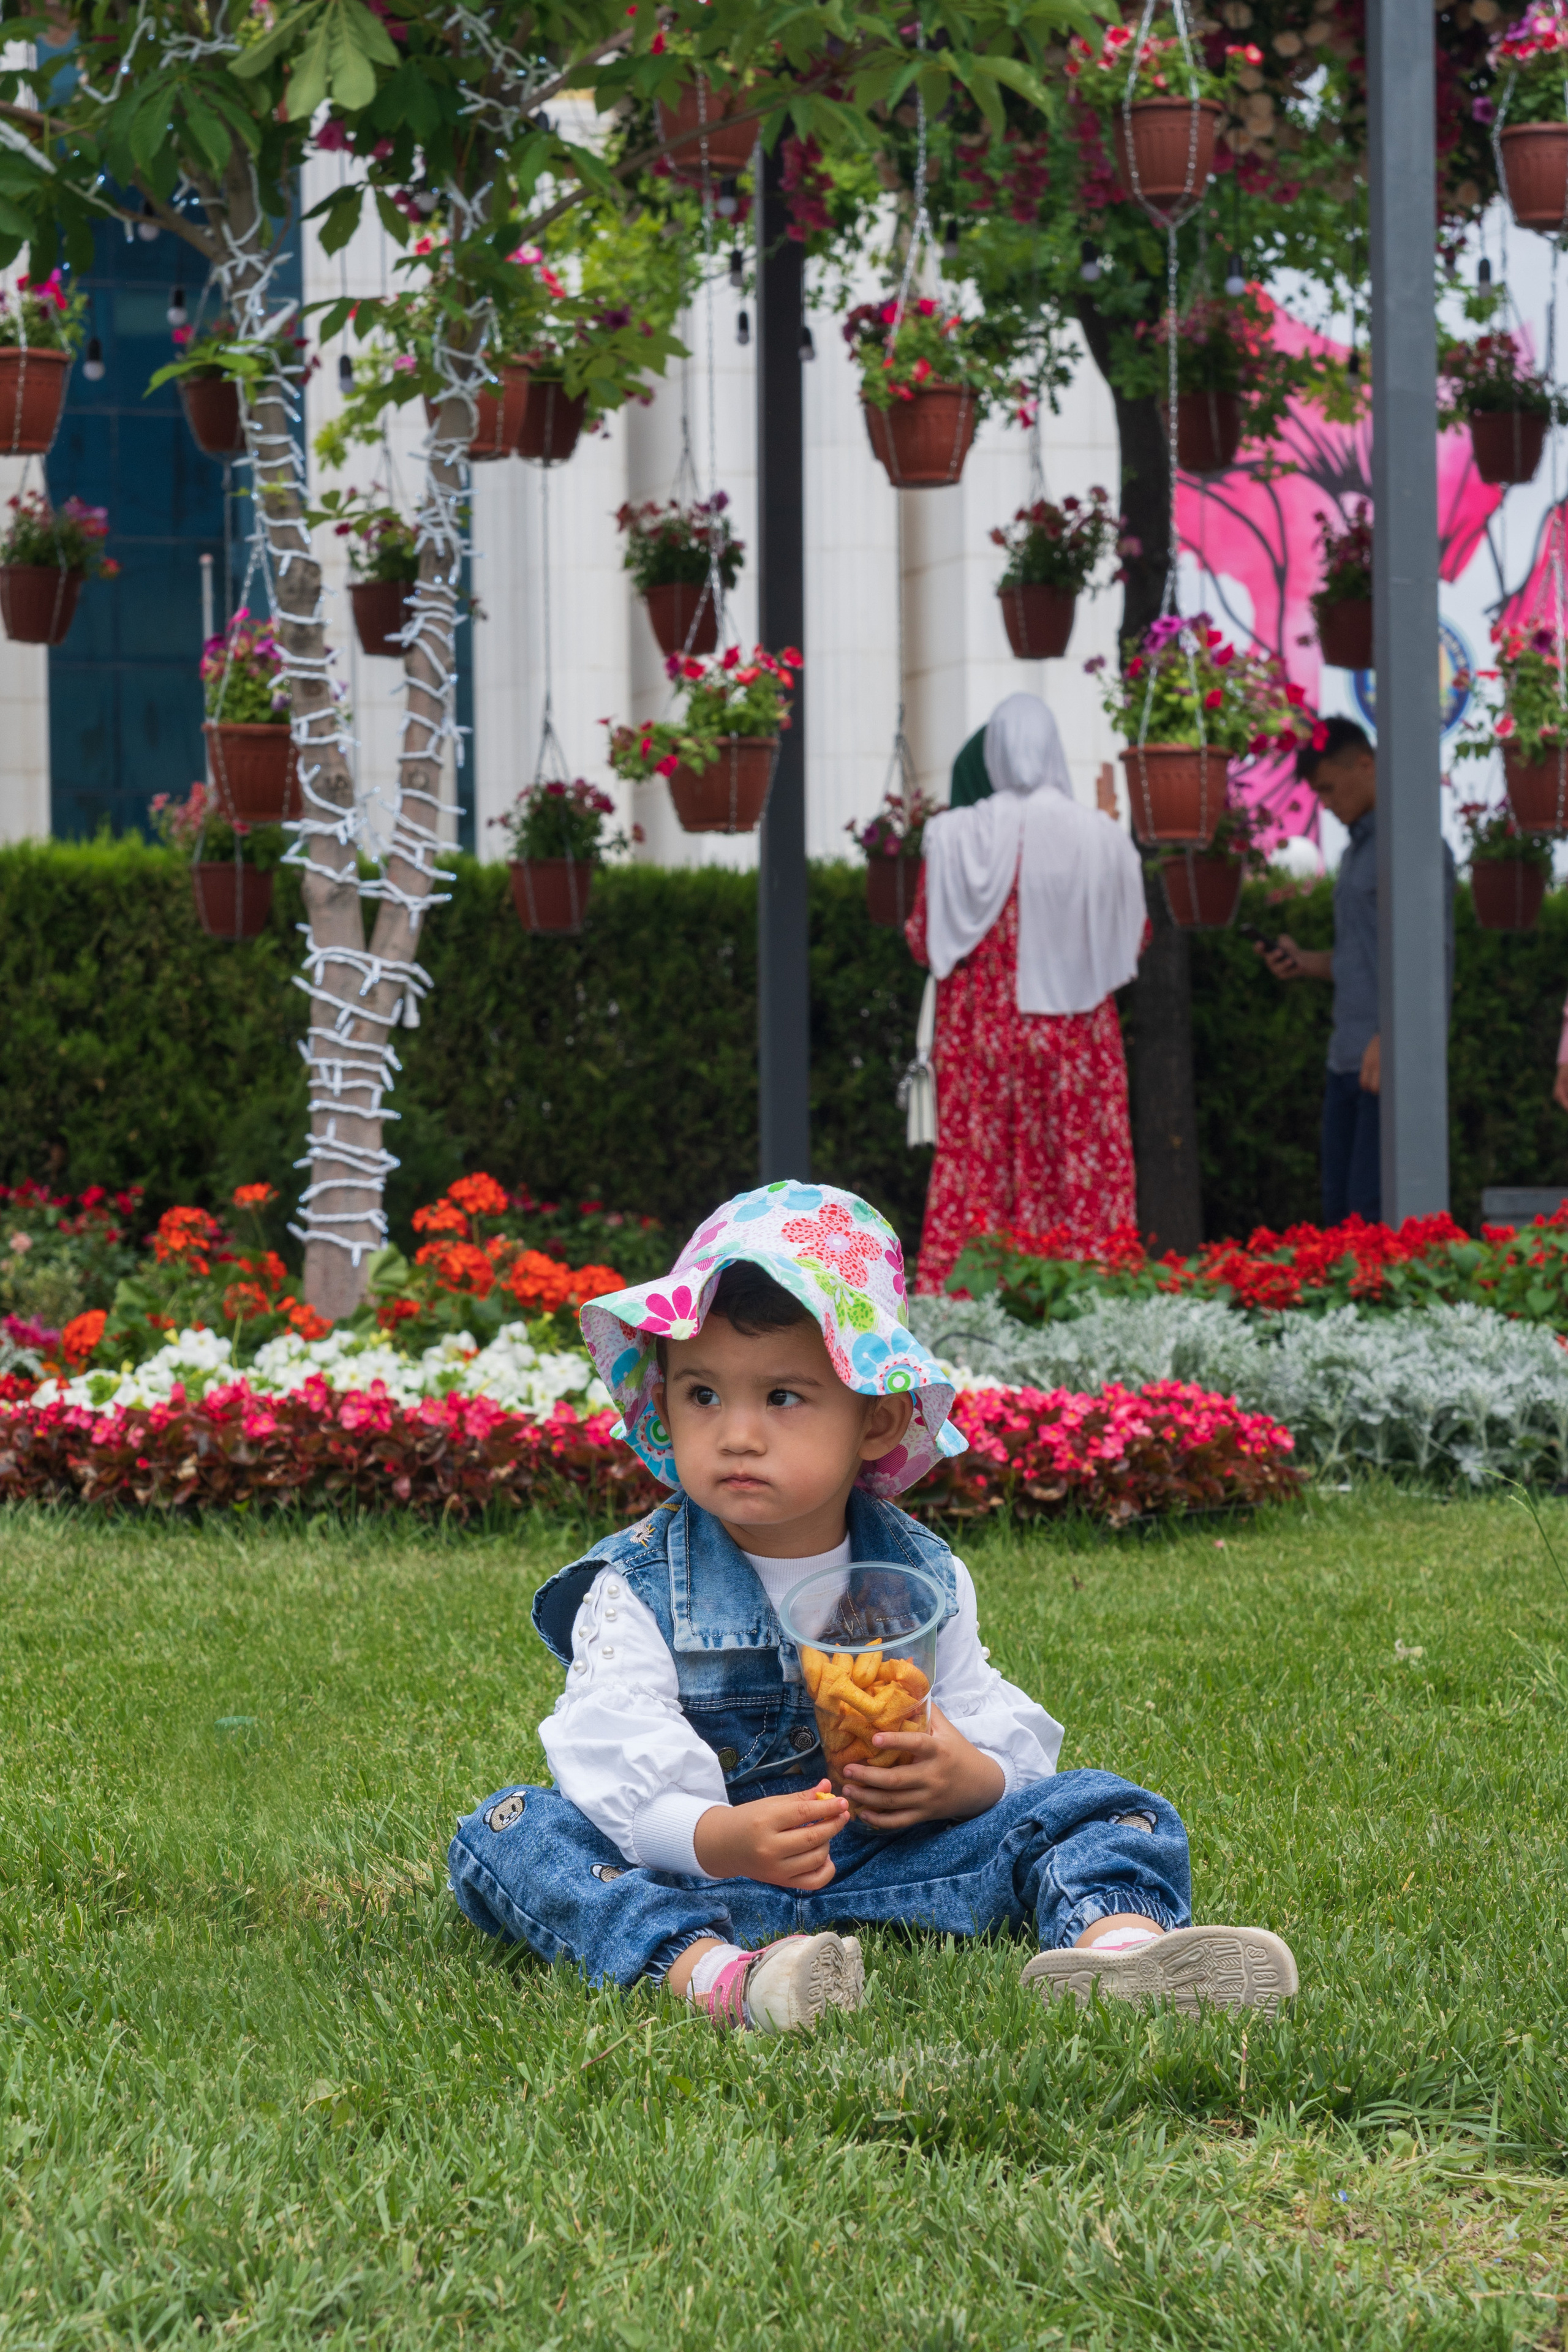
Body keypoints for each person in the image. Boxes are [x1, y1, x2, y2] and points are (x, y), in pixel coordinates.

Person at [448, 1183, 1299, 2034]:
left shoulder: (920, 1575)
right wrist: (719, 1837)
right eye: (704, 1394)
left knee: (1104, 1804)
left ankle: (1119, 1950)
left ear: (879, 1419)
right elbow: (612, 1759)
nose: (737, 1434)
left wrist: (972, 1778)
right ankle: (719, 1978)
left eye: (782, 1397)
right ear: (663, 1399)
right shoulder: (635, 1587)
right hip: (703, 1881)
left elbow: (979, 1711)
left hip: (886, 1863)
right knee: (515, 1829)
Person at [904, 692, 1148, 1296]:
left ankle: (970, 1293)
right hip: (1075, 1031)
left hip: (977, 1032)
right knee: (1077, 1159)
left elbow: (920, 938)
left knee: (977, 1167)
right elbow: (1135, 937)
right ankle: (1088, 1287)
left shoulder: (952, 835)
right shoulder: (1102, 837)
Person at [1260, 717, 1455, 1226]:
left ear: (1365, 765)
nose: (1323, 802)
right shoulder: (1354, 854)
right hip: (1345, 1059)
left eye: (1327, 787)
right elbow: (1360, 960)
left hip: (1388, 1063)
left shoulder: (1412, 847)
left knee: (1373, 1221)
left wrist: (1392, 1036)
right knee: (1338, 1217)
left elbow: (1431, 962)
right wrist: (1302, 962)